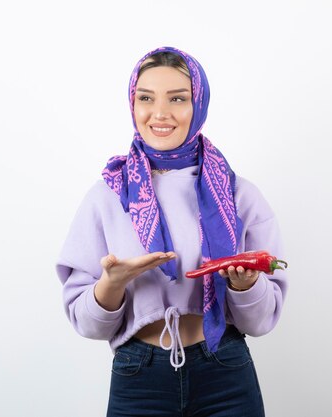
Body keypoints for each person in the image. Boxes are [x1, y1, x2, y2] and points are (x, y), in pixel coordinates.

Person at [55, 46, 288, 417]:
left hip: (225, 371)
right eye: (145, 98)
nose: (160, 113)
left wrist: (245, 287)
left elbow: (260, 323)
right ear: (132, 105)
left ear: (200, 106)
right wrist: (112, 283)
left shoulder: (239, 195)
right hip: (138, 376)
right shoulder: (107, 196)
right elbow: (87, 324)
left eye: (177, 98)